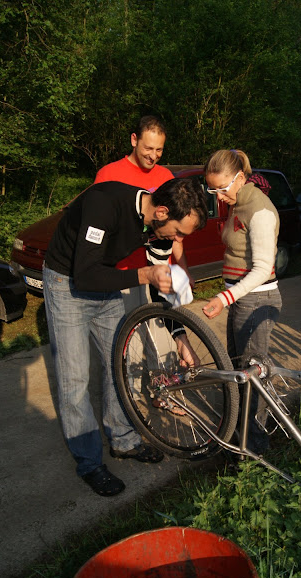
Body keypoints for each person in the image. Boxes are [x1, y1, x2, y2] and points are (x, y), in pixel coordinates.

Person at [43, 178, 208, 497]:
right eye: (179, 232)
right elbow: (85, 274)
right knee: (74, 378)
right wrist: (144, 274)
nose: (178, 241)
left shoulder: (159, 230)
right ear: (162, 212)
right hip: (67, 283)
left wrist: (180, 338)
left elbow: (162, 293)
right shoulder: (104, 204)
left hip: (105, 282)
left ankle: (124, 441)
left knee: (117, 366)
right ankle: (89, 463)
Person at [202, 149, 282, 455]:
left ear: (239, 177)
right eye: (213, 191)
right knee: (239, 370)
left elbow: (262, 269)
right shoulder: (237, 203)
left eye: (222, 189)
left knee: (251, 378)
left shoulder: (259, 210)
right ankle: (241, 437)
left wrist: (224, 298)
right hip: (241, 299)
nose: (219, 197)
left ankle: (255, 451)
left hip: (257, 299)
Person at [95, 116, 193, 309]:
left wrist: (184, 269)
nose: (153, 156)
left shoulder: (166, 178)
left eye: (159, 150)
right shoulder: (108, 174)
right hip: (123, 275)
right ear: (134, 140)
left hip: (159, 276)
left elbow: (175, 232)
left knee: (161, 326)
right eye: (148, 148)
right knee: (127, 328)